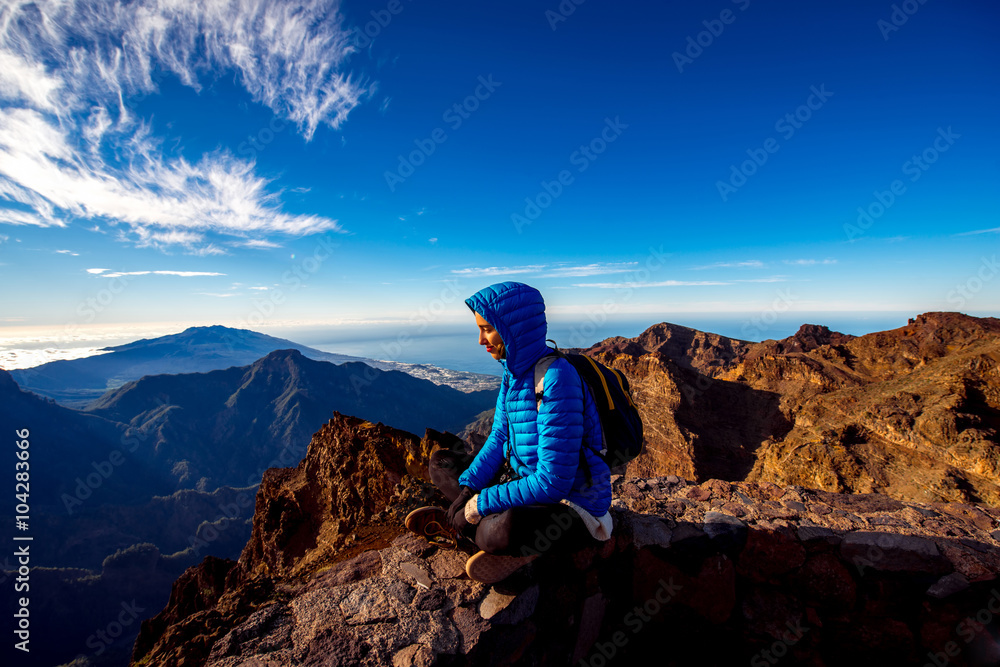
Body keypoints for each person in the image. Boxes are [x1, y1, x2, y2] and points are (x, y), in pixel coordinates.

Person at [406, 281, 613, 584]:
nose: (481, 340)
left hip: (569, 505)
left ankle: (482, 537)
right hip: (522, 483)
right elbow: (498, 439)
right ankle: (475, 531)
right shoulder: (513, 373)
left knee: (505, 528)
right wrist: (467, 489)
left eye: (487, 329)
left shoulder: (558, 379)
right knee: (441, 463)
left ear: (514, 328)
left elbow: (553, 483)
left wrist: (476, 505)